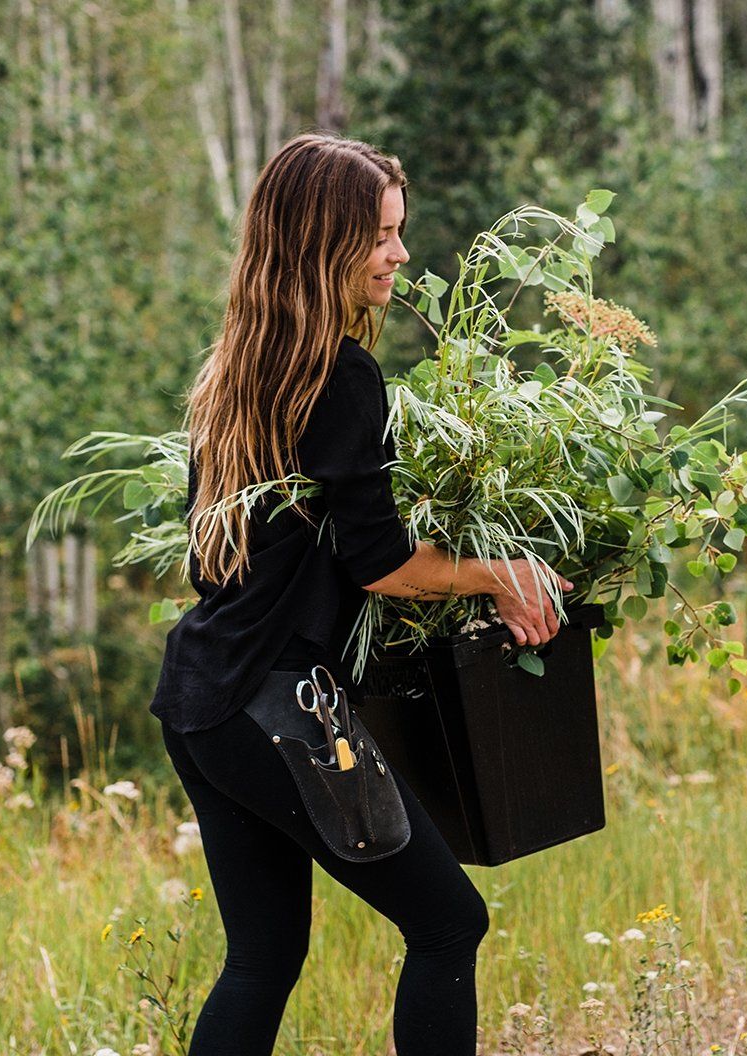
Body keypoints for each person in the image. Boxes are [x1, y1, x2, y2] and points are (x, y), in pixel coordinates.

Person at [147, 131, 575, 1056]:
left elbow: (215, 561)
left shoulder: (237, 370)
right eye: (381, 235)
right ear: (322, 242)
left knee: (262, 958)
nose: (400, 254)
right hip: (278, 708)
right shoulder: (340, 375)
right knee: (449, 924)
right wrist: (498, 573)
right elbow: (381, 563)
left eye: (397, 231)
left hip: (202, 700)